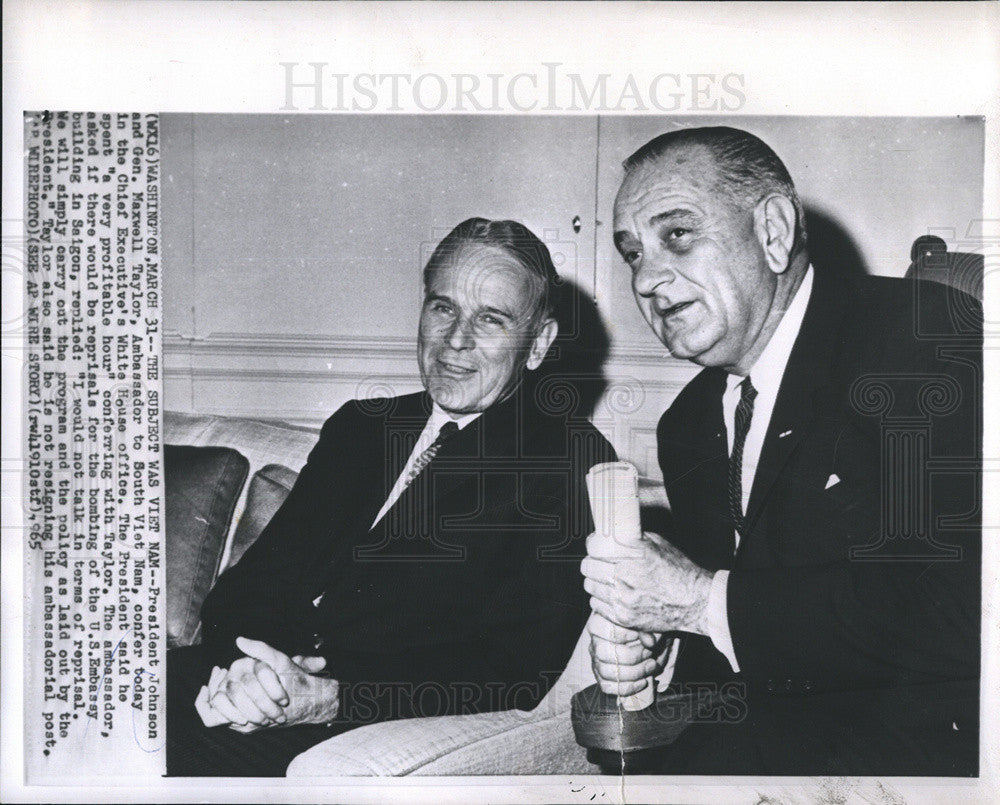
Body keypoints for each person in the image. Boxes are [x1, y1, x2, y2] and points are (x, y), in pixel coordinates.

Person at [581, 127, 981, 775]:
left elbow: (965, 610)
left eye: (677, 234)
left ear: (772, 230)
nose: (648, 278)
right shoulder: (690, 422)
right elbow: (743, 633)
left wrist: (696, 601)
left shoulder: (921, 341)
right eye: (632, 253)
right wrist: (661, 643)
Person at [168, 217, 616, 776]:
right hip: (242, 688)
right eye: (443, 307)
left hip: (364, 724)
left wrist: (329, 696)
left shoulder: (573, 462)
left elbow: (513, 666)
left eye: (491, 319)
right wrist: (252, 672)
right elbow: (249, 586)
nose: (456, 339)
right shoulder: (362, 427)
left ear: (539, 343)